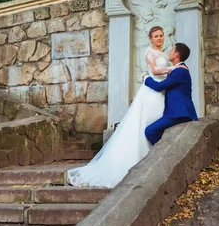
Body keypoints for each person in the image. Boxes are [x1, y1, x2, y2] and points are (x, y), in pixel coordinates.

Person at [67, 26, 174, 188]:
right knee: (144, 124)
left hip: (161, 92)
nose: (159, 38)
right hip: (151, 92)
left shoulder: (164, 54)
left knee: (155, 121)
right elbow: (155, 70)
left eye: (161, 35)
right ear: (150, 38)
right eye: (156, 36)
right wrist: (173, 68)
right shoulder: (149, 53)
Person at [144, 43, 198, 146]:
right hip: (176, 112)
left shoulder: (180, 71)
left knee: (150, 131)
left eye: (172, 50)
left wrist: (147, 78)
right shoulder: (178, 69)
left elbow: (159, 87)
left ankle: (162, 151)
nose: (169, 52)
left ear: (176, 54)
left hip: (178, 113)